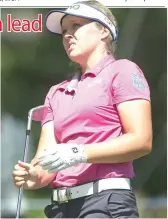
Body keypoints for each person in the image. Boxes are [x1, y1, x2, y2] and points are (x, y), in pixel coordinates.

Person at [13, 0, 152, 218]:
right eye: (64, 31)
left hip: (105, 203)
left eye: (76, 25)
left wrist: (78, 152)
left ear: (104, 31)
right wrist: (34, 175)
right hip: (60, 208)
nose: (67, 35)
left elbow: (141, 140)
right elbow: (45, 164)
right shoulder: (55, 93)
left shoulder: (122, 71)